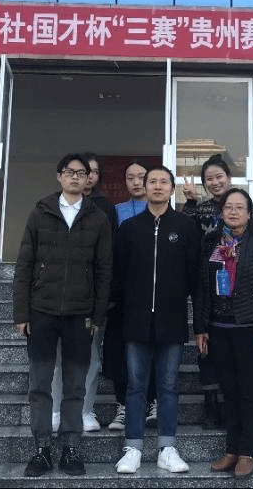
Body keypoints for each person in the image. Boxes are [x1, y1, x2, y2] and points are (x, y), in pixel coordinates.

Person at [13, 153, 113, 477]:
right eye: (69, 172)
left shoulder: (97, 219)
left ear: (88, 179)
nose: (75, 177)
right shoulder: (40, 213)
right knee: (40, 385)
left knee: (74, 386)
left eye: (81, 173)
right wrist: (21, 312)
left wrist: (98, 315)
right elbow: (24, 265)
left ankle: (70, 447)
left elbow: (104, 271)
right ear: (59, 176)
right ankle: (42, 449)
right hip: (41, 310)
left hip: (80, 313)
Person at [113, 165, 200, 475]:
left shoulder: (186, 227)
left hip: (171, 321)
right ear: (145, 186)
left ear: (172, 189)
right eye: (152, 181)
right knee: (135, 387)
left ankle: (167, 448)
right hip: (135, 322)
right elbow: (118, 277)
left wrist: (199, 324)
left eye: (164, 181)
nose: (158, 186)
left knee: (168, 386)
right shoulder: (129, 228)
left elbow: (195, 278)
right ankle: (133, 448)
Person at [194, 188, 253, 479]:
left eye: (239, 207)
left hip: (248, 328)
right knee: (228, 390)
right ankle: (231, 448)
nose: (233, 211)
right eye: (228, 207)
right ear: (221, 212)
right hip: (218, 328)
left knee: (248, 391)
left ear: (249, 213)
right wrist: (200, 327)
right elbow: (202, 287)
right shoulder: (211, 241)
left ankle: (247, 452)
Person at [49, 152, 118, 433]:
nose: (85, 176)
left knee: (91, 357)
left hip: (92, 299)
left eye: (92, 172)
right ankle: (56, 409)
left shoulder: (105, 211)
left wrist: (106, 297)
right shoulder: (52, 207)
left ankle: (86, 410)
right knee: (58, 358)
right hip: (58, 298)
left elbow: (109, 259)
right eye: (79, 171)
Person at [102, 159, 159, 431]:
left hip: (153, 293)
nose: (136, 182)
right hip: (121, 294)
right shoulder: (116, 212)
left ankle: (152, 401)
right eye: (130, 177)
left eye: (141, 176)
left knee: (152, 349)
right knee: (118, 350)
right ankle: (123, 406)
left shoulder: (162, 211)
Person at [181, 154, 233, 429]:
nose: (215, 182)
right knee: (206, 345)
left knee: (230, 347)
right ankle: (211, 403)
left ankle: (229, 402)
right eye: (209, 179)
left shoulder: (240, 204)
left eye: (219, 177)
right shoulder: (200, 209)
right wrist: (190, 202)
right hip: (206, 284)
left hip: (235, 287)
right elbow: (185, 233)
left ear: (229, 178)